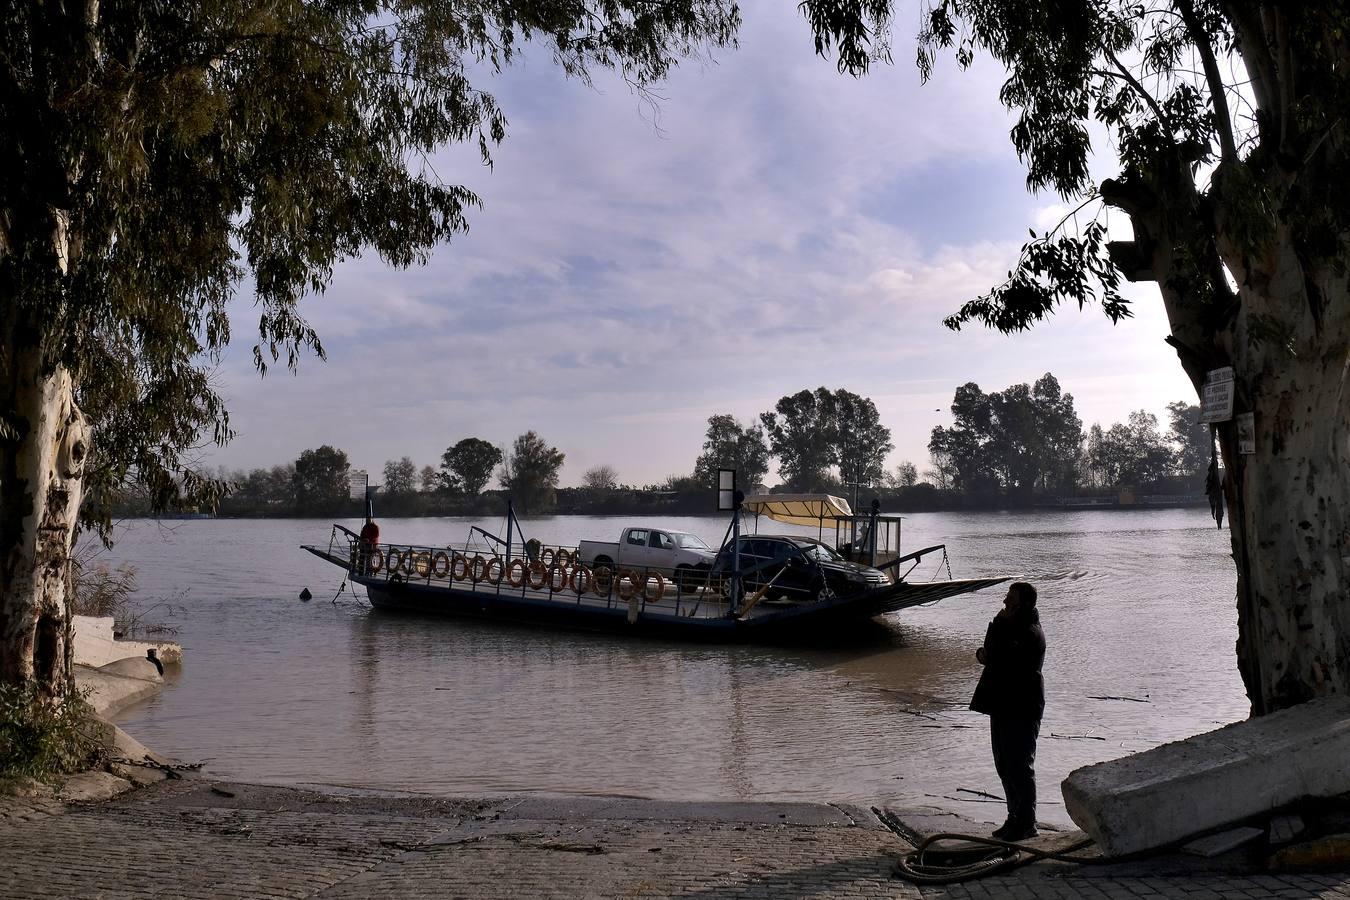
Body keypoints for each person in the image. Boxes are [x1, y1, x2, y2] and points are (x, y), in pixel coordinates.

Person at [970, 581, 1045, 841]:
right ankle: (1015, 818)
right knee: (1005, 763)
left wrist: (996, 627)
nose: (1004, 602)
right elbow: (993, 654)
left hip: (1022, 707)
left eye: (1009, 599)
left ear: (1022, 603)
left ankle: (1026, 822)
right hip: (1005, 704)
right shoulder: (1015, 628)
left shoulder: (1028, 632)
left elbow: (996, 656)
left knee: (1019, 765)